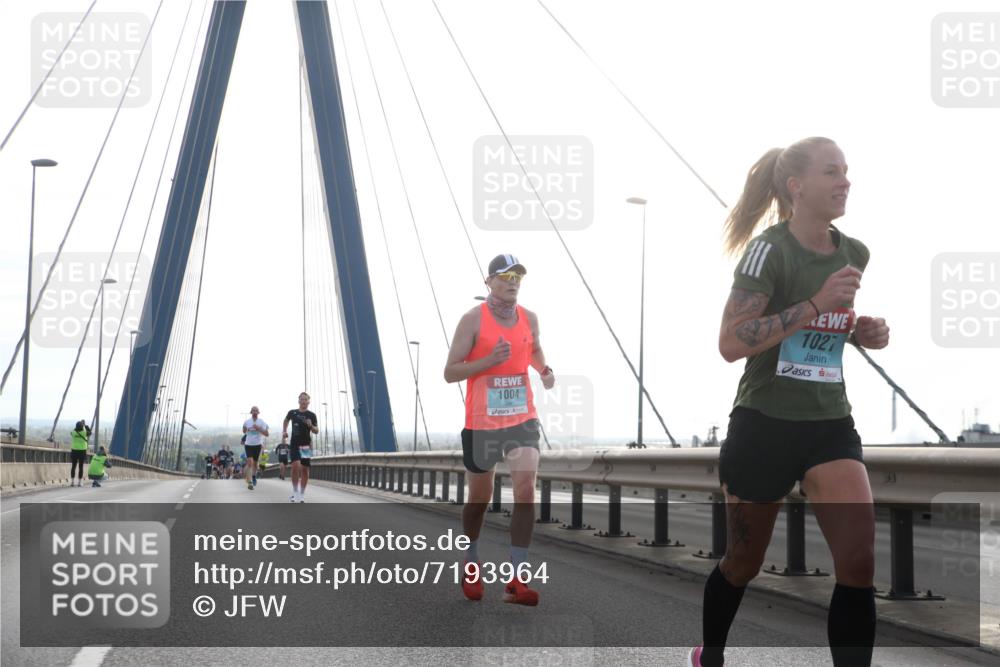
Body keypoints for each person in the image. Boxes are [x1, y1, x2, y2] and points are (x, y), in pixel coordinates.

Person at [689, 137, 889, 667]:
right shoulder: (768, 251)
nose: (845, 181)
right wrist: (816, 303)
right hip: (764, 424)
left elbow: (820, 329)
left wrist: (856, 331)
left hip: (829, 424)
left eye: (846, 170)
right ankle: (710, 655)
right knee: (742, 563)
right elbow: (732, 342)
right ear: (797, 187)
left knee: (859, 562)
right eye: (831, 172)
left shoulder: (854, 252)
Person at [444, 254, 554, 606]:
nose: (513, 281)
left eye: (518, 275)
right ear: (488, 281)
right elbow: (450, 372)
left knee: (525, 490)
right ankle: (471, 562)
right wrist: (489, 361)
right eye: (505, 275)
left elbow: (533, 349)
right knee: (479, 499)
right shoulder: (472, 320)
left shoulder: (530, 318)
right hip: (482, 423)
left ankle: (518, 579)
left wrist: (544, 369)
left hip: (522, 418)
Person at [283, 392, 318, 503]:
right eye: (301, 399)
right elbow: (286, 420)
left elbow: (316, 431)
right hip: (294, 444)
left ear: (308, 402)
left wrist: (311, 425)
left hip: (306, 445)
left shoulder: (311, 415)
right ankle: (295, 493)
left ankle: (301, 494)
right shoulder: (292, 412)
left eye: (305, 400)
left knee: (304, 470)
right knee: (295, 466)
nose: (303, 401)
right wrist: (284, 431)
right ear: (299, 401)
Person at [242, 406, 269, 490]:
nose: (254, 412)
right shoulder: (247, 422)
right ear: (251, 412)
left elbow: (267, 434)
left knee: (255, 463)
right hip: (248, 444)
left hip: (257, 445)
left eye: (256, 410)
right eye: (253, 410)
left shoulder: (262, 422)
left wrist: (259, 428)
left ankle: (253, 476)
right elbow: (243, 430)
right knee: (250, 462)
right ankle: (249, 482)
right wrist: (246, 429)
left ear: (258, 412)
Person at [69, 420, 91, 487]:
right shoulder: (84, 433)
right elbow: (90, 432)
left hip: (74, 450)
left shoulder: (73, 433)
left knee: (73, 466)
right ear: (82, 427)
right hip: (82, 451)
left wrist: (77, 427)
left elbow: (73, 431)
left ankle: (72, 482)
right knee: (80, 467)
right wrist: (85, 425)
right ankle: (80, 482)